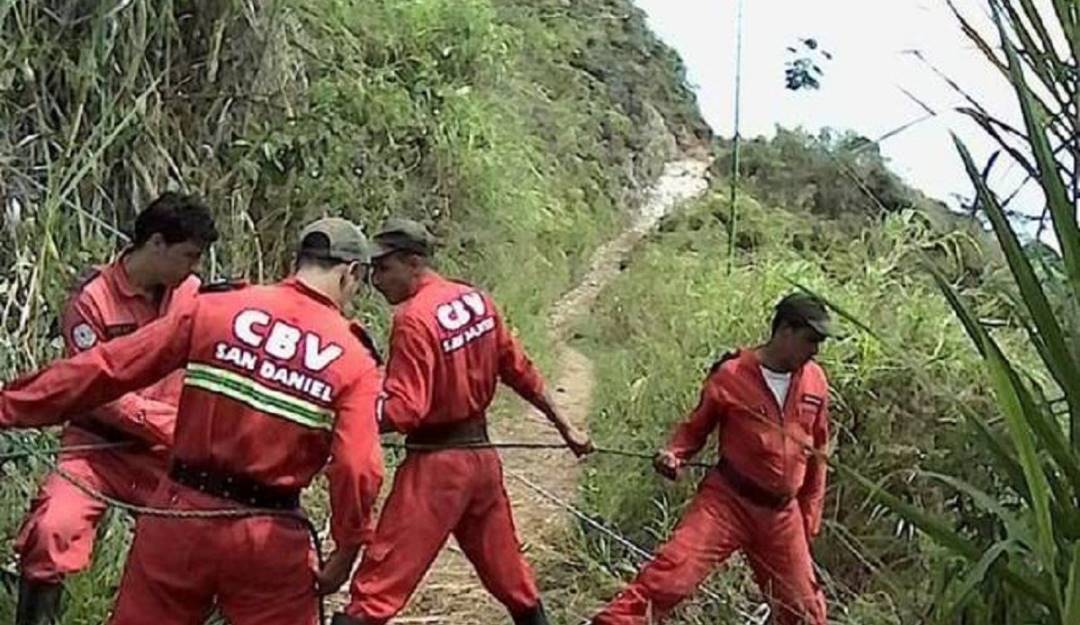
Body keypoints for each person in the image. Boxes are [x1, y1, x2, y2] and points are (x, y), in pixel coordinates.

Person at [1, 217, 385, 625]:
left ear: (298, 261)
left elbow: (103, 370)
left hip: (178, 517)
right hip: (268, 538)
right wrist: (346, 550)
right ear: (351, 274)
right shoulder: (353, 358)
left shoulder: (216, 308)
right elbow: (359, 468)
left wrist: (8, 407)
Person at [333, 218, 593, 625]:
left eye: (384, 269)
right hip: (482, 462)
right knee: (512, 579)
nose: (376, 280)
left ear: (413, 262)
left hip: (436, 469)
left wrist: (343, 416)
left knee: (377, 587)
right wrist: (567, 428)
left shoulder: (413, 319)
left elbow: (405, 410)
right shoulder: (477, 300)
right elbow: (518, 369)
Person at [8, 192, 217, 625]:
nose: (193, 268)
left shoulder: (192, 296)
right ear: (156, 244)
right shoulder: (93, 300)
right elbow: (92, 391)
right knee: (52, 530)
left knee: (209, 537)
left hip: (166, 454)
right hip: (97, 447)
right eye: (188, 255)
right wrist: (162, 423)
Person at [590, 293, 833, 625]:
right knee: (670, 577)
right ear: (785, 331)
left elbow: (819, 452)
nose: (816, 351)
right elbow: (695, 428)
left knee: (806, 613)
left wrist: (809, 517)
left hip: (782, 516)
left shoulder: (816, 381)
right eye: (811, 340)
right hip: (728, 502)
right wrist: (675, 454)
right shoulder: (732, 374)